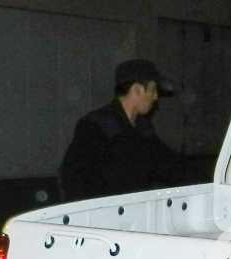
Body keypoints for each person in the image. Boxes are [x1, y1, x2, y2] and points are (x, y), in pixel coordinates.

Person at [60, 59, 179, 201]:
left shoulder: (144, 129)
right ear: (137, 90)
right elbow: (73, 178)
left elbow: (168, 165)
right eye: (153, 90)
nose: (156, 97)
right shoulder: (96, 126)